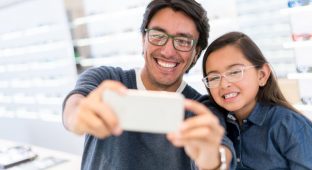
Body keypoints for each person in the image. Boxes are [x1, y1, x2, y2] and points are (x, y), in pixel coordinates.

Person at [62, 0, 236, 170]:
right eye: (158, 36)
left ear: (196, 53)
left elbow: (221, 151)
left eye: (183, 41)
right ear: (143, 40)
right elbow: (75, 105)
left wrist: (214, 161)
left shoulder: (201, 109)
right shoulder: (106, 80)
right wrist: (77, 116)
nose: (168, 51)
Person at [201, 31, 312, 169]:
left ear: (262, 75)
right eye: (214, 78)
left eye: (235, 72)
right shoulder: (220, 124)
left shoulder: (289, 125)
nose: (224, 84)